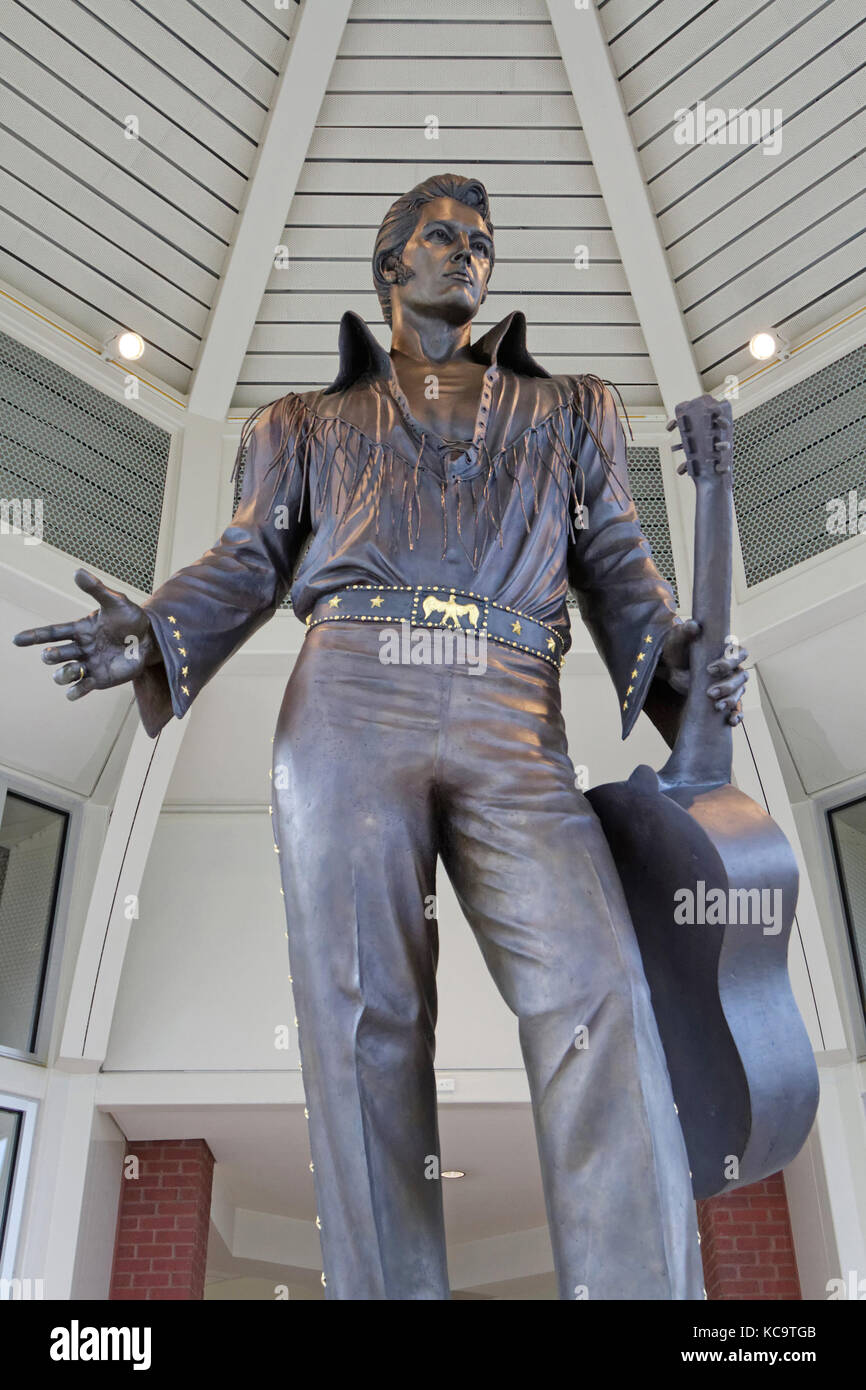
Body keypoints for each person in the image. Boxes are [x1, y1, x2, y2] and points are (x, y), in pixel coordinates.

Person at [15, 174, 747, 1301]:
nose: (469, 255)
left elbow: (618, 576)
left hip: (515, 704)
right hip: (348, 697)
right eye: (443, 236)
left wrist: (686, 666)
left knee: (599, 993)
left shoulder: (572, 410)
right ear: (388, 264)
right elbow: (249, 557)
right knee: (362, 1025)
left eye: (484, 243)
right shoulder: (298, 422)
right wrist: (155, 630)